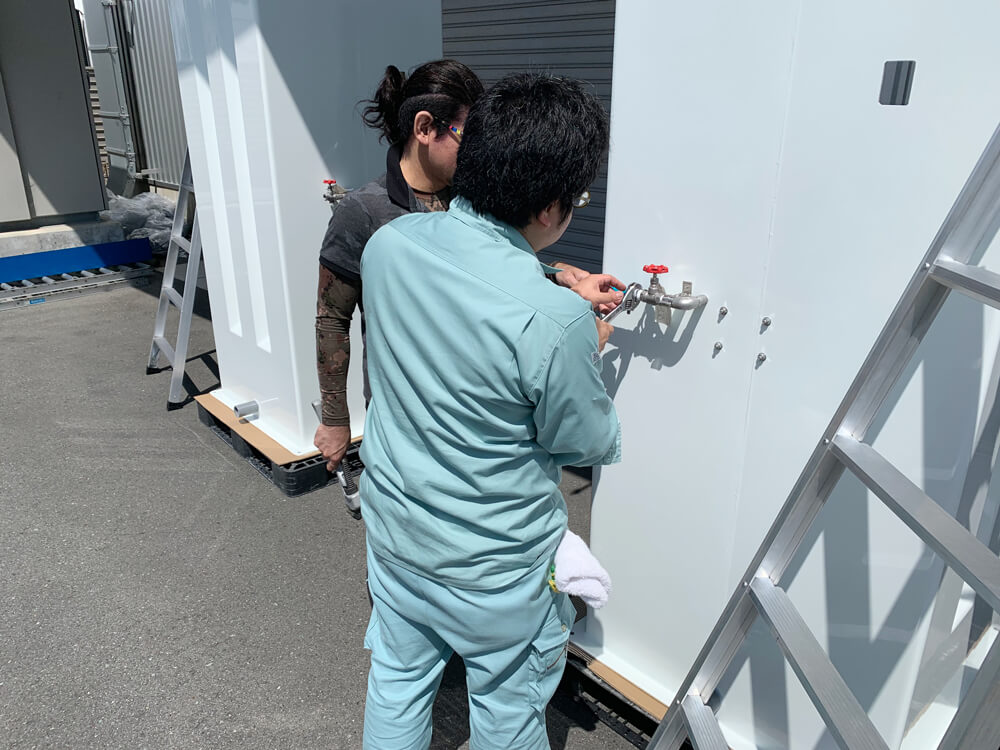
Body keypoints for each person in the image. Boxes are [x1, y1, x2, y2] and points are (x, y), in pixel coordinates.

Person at [358, 73, 622, 749]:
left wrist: (555, 282)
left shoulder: (388, 246)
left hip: (397, 533)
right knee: (507, 715)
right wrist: (583, 344)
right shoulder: (558, 324)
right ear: (552, 208)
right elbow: (584, 441)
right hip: (495, 569)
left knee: (396, 684)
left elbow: (466, 275)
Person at [314, 61, 623, 509]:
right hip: (406, 402)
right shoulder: (368, 217)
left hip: (473, 406)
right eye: (469, 134)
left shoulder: (466, 196)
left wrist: (554, 277)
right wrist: (335, 419)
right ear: (425, 128)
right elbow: (331, 319)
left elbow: (490, 267)